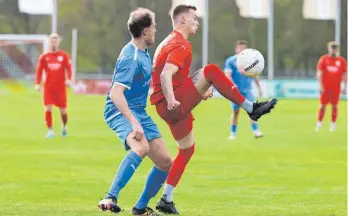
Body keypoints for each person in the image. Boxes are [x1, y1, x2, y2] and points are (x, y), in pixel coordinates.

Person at [150, 4, 277, 214]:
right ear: (182, 20)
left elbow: (175, 78)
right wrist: (173, 99)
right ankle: (251, 108)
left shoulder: (169, 41)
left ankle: (166, 198)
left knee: (187, 150)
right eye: (194, 19)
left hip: (166, 105)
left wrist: (198, 91)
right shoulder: (180, 44)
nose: (197, 23)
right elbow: (165, 75)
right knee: (211, 70)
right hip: (172, 103)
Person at [98, 8, 171, 216]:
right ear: (146, 31)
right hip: (119, 110)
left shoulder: (144, 53)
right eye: (154, 26)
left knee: (165, 162)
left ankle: (139, 209)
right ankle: (110, 197)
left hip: (138, 111)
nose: (156, 30)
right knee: (140, 147)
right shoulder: (131, 58)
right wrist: (134, 122)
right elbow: (115, 93)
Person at [224, 40, 263, 140]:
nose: (242, 50)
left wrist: (259, 88)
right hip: (236, 91)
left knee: (252, 111)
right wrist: (233, 85)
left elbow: (255, 74)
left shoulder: (250, 61)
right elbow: (228, 75)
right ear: (236, 49)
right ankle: (233, 134)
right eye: (240, 48)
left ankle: (256, 131)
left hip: (247, 90)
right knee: (236, 111)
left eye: (244, 48)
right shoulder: (230, 61)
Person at [35, 33, 72, 138]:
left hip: (60, 87)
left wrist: (69, 79)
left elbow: (69, 68)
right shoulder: (44, 56)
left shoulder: (64, 55)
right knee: (47, 108)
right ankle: (50, 130)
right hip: (48, 87)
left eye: (56, 39)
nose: (54, 41)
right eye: (52, 39)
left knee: (63, 110)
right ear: (49, 41)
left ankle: (64, 127)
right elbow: (39, 71)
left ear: (59, 41)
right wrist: (37, 84)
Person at [316, 41, 347, 132]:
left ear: (337, 49)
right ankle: (319, 123)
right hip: (325, 87)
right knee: (322, 106)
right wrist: (320, 85)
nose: (333, 50)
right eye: (332, 48)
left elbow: (345, 74)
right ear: (329, 49)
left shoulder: (341, 61)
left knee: (334, 106)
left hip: (336, 88)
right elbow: (320, 73)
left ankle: (333, 124)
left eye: (335, 48)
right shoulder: (324, 59)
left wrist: (345, 87)